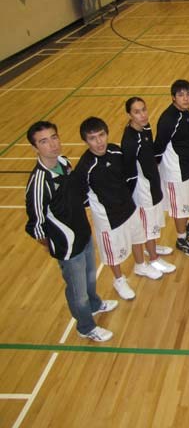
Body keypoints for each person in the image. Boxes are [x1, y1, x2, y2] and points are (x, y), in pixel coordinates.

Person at [25, 121, 118, 342]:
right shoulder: (39, 183)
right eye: (44, 141)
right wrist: (57, 245)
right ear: (35, 148)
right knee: (78, 292)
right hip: (67, 247)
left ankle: (95, 305)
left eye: (54, 137)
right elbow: (36, 226)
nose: (52, 145)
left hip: (83, 234)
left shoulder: (64, 162)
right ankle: (85, 327)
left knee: (89, 278)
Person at [76, 117, 163, 301]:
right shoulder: (85, 167)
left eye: (101, 135)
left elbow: (127, 175)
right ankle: (119, 280)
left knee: (138, 237)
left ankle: (141, 265)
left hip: (129, 208)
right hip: (108, 218)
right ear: (86, 141)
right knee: (113, 253)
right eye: (92, 138)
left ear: (107, 134)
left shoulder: (116, 151)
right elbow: (81, 196)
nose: (99, 142)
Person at [122, 97, 176, 274]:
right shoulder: (130, 141)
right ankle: (153, 258)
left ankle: (151, 246)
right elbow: (129, 173)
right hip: (142, 190)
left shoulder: (146, 128)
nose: (143, 115)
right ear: (129, 114)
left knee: (153, 222)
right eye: (137, 112)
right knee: (147, 223)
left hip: (153, 183)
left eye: (143, 109)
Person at [154, 79, 189, 257]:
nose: (186, 98)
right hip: (175, 172)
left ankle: (186, 226)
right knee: (179, 207)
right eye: (181, 95)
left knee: (186, 203)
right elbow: (158, 147)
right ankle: (181, 239)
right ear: (173, 97)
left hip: (187, 167)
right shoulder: (169, 119)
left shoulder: (186, 114)